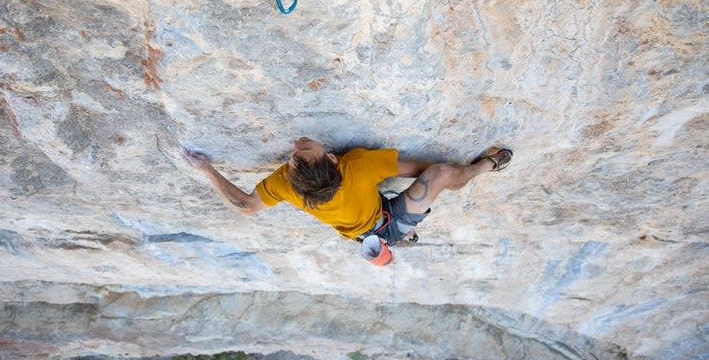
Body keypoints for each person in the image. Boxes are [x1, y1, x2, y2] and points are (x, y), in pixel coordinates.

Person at [182, 138, 512, 266]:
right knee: (439, 174)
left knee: (429, 184)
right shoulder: (357, 165)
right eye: (301, 153)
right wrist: (446, 176)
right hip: (384, 222)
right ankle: (485, 167)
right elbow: (416, 169)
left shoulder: (283, 183)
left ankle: (405, 234)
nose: (296, 144)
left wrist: (206, 169)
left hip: (370, 215)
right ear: (333, 159)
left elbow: (247, 206)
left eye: (296, 154)